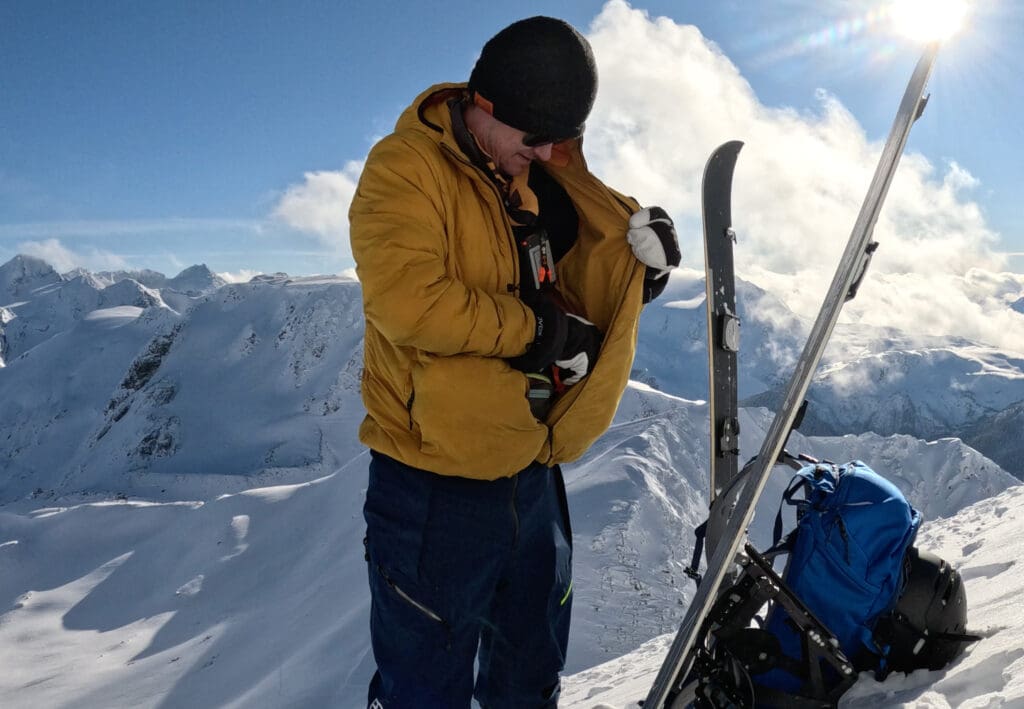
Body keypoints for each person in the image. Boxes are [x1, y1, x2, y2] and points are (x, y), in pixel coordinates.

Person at [349, 16, 680, 709]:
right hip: (433, 491)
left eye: (562, 140)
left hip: (529, 477)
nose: (551, 154)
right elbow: (410, 304)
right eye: (537, 139)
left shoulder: (521, 177)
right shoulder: (404, 170)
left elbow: (559, 288)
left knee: (527, 682)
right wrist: (530, 330)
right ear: (487, 107)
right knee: (423, 694)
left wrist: (631, 277)